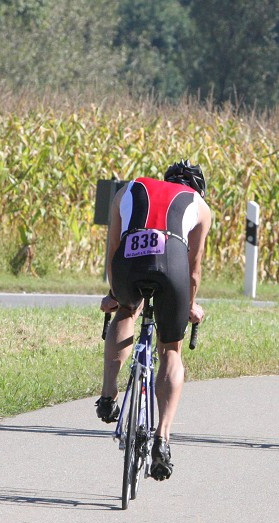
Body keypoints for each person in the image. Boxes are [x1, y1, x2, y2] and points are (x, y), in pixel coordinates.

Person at [94, 160, 211, 480]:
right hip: (173, 261)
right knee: (171, 349)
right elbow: (194, 267)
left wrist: (114, 293)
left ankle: (107, 397)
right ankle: (162, 438)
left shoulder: (129, 189)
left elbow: (113, 248)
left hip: (129, 261)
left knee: (126, 311)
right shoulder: (199, 205)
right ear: (198, 187)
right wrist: (190, 304)